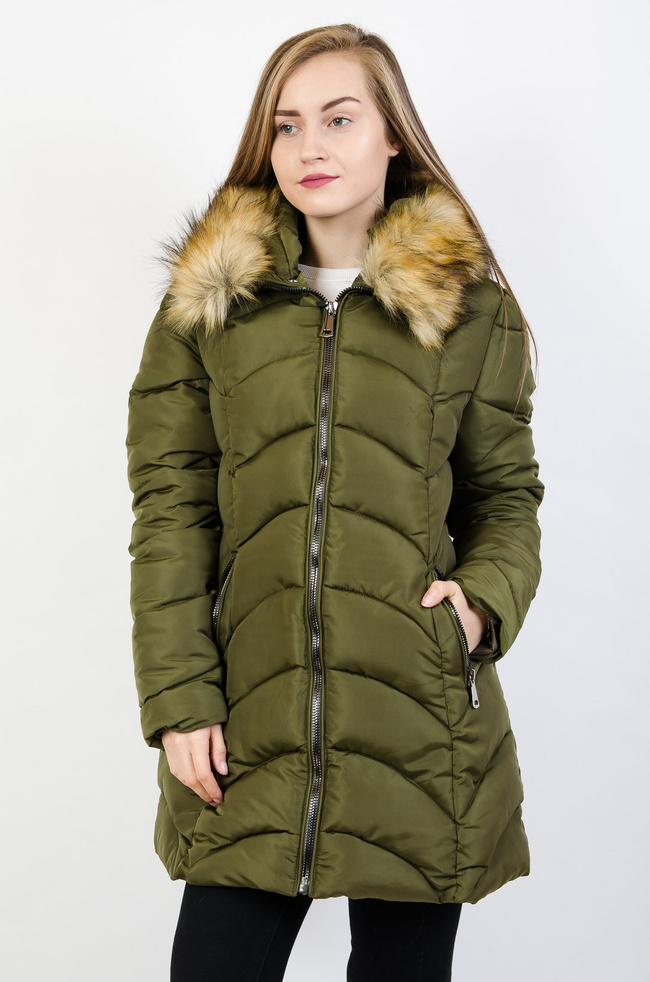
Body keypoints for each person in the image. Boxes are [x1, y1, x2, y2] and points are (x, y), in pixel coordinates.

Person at [126, 22, 544, 982]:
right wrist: (180, 700)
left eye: (339, 118)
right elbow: (171, 509)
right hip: (250, 718)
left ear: (392, 134)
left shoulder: (469, 309)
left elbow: (505, 495)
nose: (308, 146)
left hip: (417, 722)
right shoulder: (209, 307)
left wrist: (481, 604)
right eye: (287, 125)